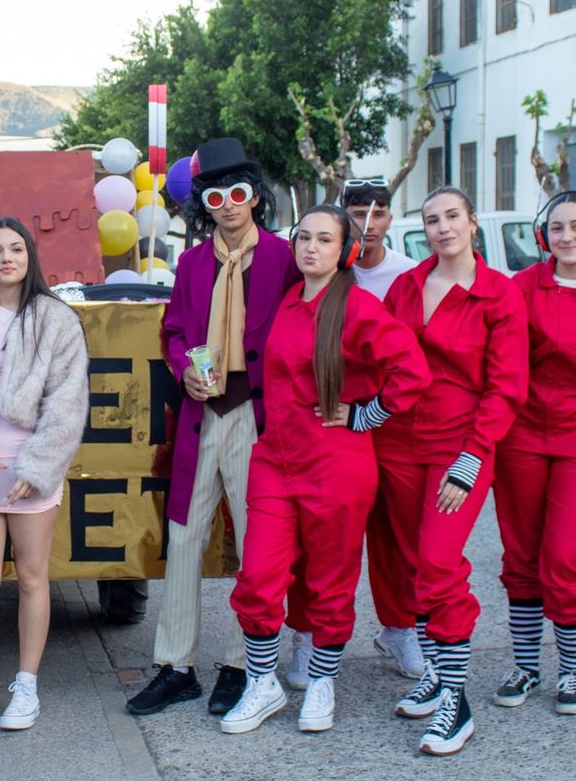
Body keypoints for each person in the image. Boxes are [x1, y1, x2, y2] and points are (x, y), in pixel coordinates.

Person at [221, 206, 430, 734]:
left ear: (345, 252)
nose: (311, 248)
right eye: (304, 238)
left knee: (332, 583)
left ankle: (321, 683)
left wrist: (365, 415)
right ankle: (263, 683)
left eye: (324, 240)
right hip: (275, 460)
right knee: (259, 577)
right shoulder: (287, 302)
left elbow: (412, 371)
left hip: (337, 464)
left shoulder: (357, 306)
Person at [126, 138, 302, 719]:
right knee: (184, 538)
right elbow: (174, 330)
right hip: (203, 414)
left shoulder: (283, 256)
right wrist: (184, 370)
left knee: (258, 542)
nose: (228, 205)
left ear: (255, 197)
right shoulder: (194, 262)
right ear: (204, 202)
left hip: (258, 414)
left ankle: (243, 665)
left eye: (239, 194)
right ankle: (175, 666)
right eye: (216, 196)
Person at [377, 186, 528, 756]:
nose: (442, 228)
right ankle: (438, 674)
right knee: (416, 563)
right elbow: (381, 357)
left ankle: (456, 703)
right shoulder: (406, 285)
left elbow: (507, 385)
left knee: (440, 563)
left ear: (472, 223)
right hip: (397, 445)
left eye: (452, 218)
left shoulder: (500, 295)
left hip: (460, 447)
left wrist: (472, 455)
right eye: (432, 220)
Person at [0, 217, 89, 733]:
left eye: (16, 249)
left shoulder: (56, 318)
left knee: (31, 579)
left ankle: (26, 685)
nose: (6, 257)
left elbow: (68, 402)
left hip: (31, 470)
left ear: (30, 258)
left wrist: (40, 465)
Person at [491, 192, 576, 716]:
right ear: (541, 236)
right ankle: (527, 665)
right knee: (521, 555)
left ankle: (573, 671)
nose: (566, 237)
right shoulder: (519, 289)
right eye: (556, 228)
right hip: (521, 432)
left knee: (566, 556)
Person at [340, 176, 427, 687]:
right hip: (333, 420)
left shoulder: (409, 275)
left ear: (391, 219)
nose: (367, 223)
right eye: (356, 212)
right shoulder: (328, 266)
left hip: (393, 424)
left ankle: (400, 628)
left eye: (378, 212)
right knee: (334, 537)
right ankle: (314, 634)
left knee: (398, 535)